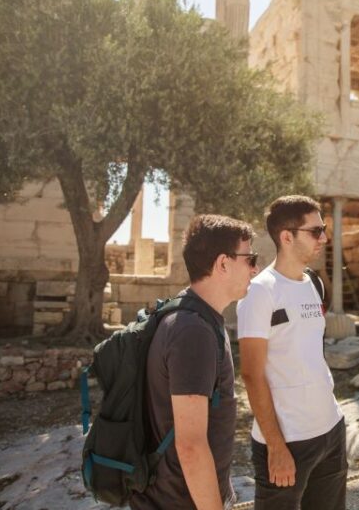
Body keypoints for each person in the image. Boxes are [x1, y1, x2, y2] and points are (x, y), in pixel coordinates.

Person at [131, 214, 259, 510]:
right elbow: (190, 445)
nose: (255, 268)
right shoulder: (193, 332)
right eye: (250, 258)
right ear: (223, 264)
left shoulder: (197, 318)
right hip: (179, 502)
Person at [237, 195, 346, 510]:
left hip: (331, 429)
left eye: (323, 229)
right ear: (286, 237)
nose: (324, 238)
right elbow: (251, 374)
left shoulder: (311, 282)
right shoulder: (260, 291)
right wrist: (275, 446)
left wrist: (336, 426)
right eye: (315, 231)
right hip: (288, 440)